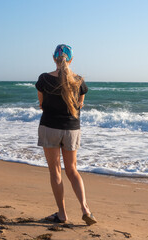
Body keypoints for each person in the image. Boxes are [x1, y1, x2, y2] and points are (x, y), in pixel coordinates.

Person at [35, 44, 96, 225]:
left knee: (55, 171)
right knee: (72, 170)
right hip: (71, 129)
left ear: (54, 58)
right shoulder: (78, 81)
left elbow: (42, 104)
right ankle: (85, 209)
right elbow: (79, 105)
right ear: (70, 60)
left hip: (50, 127)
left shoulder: (44, 79)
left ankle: (62, 214)